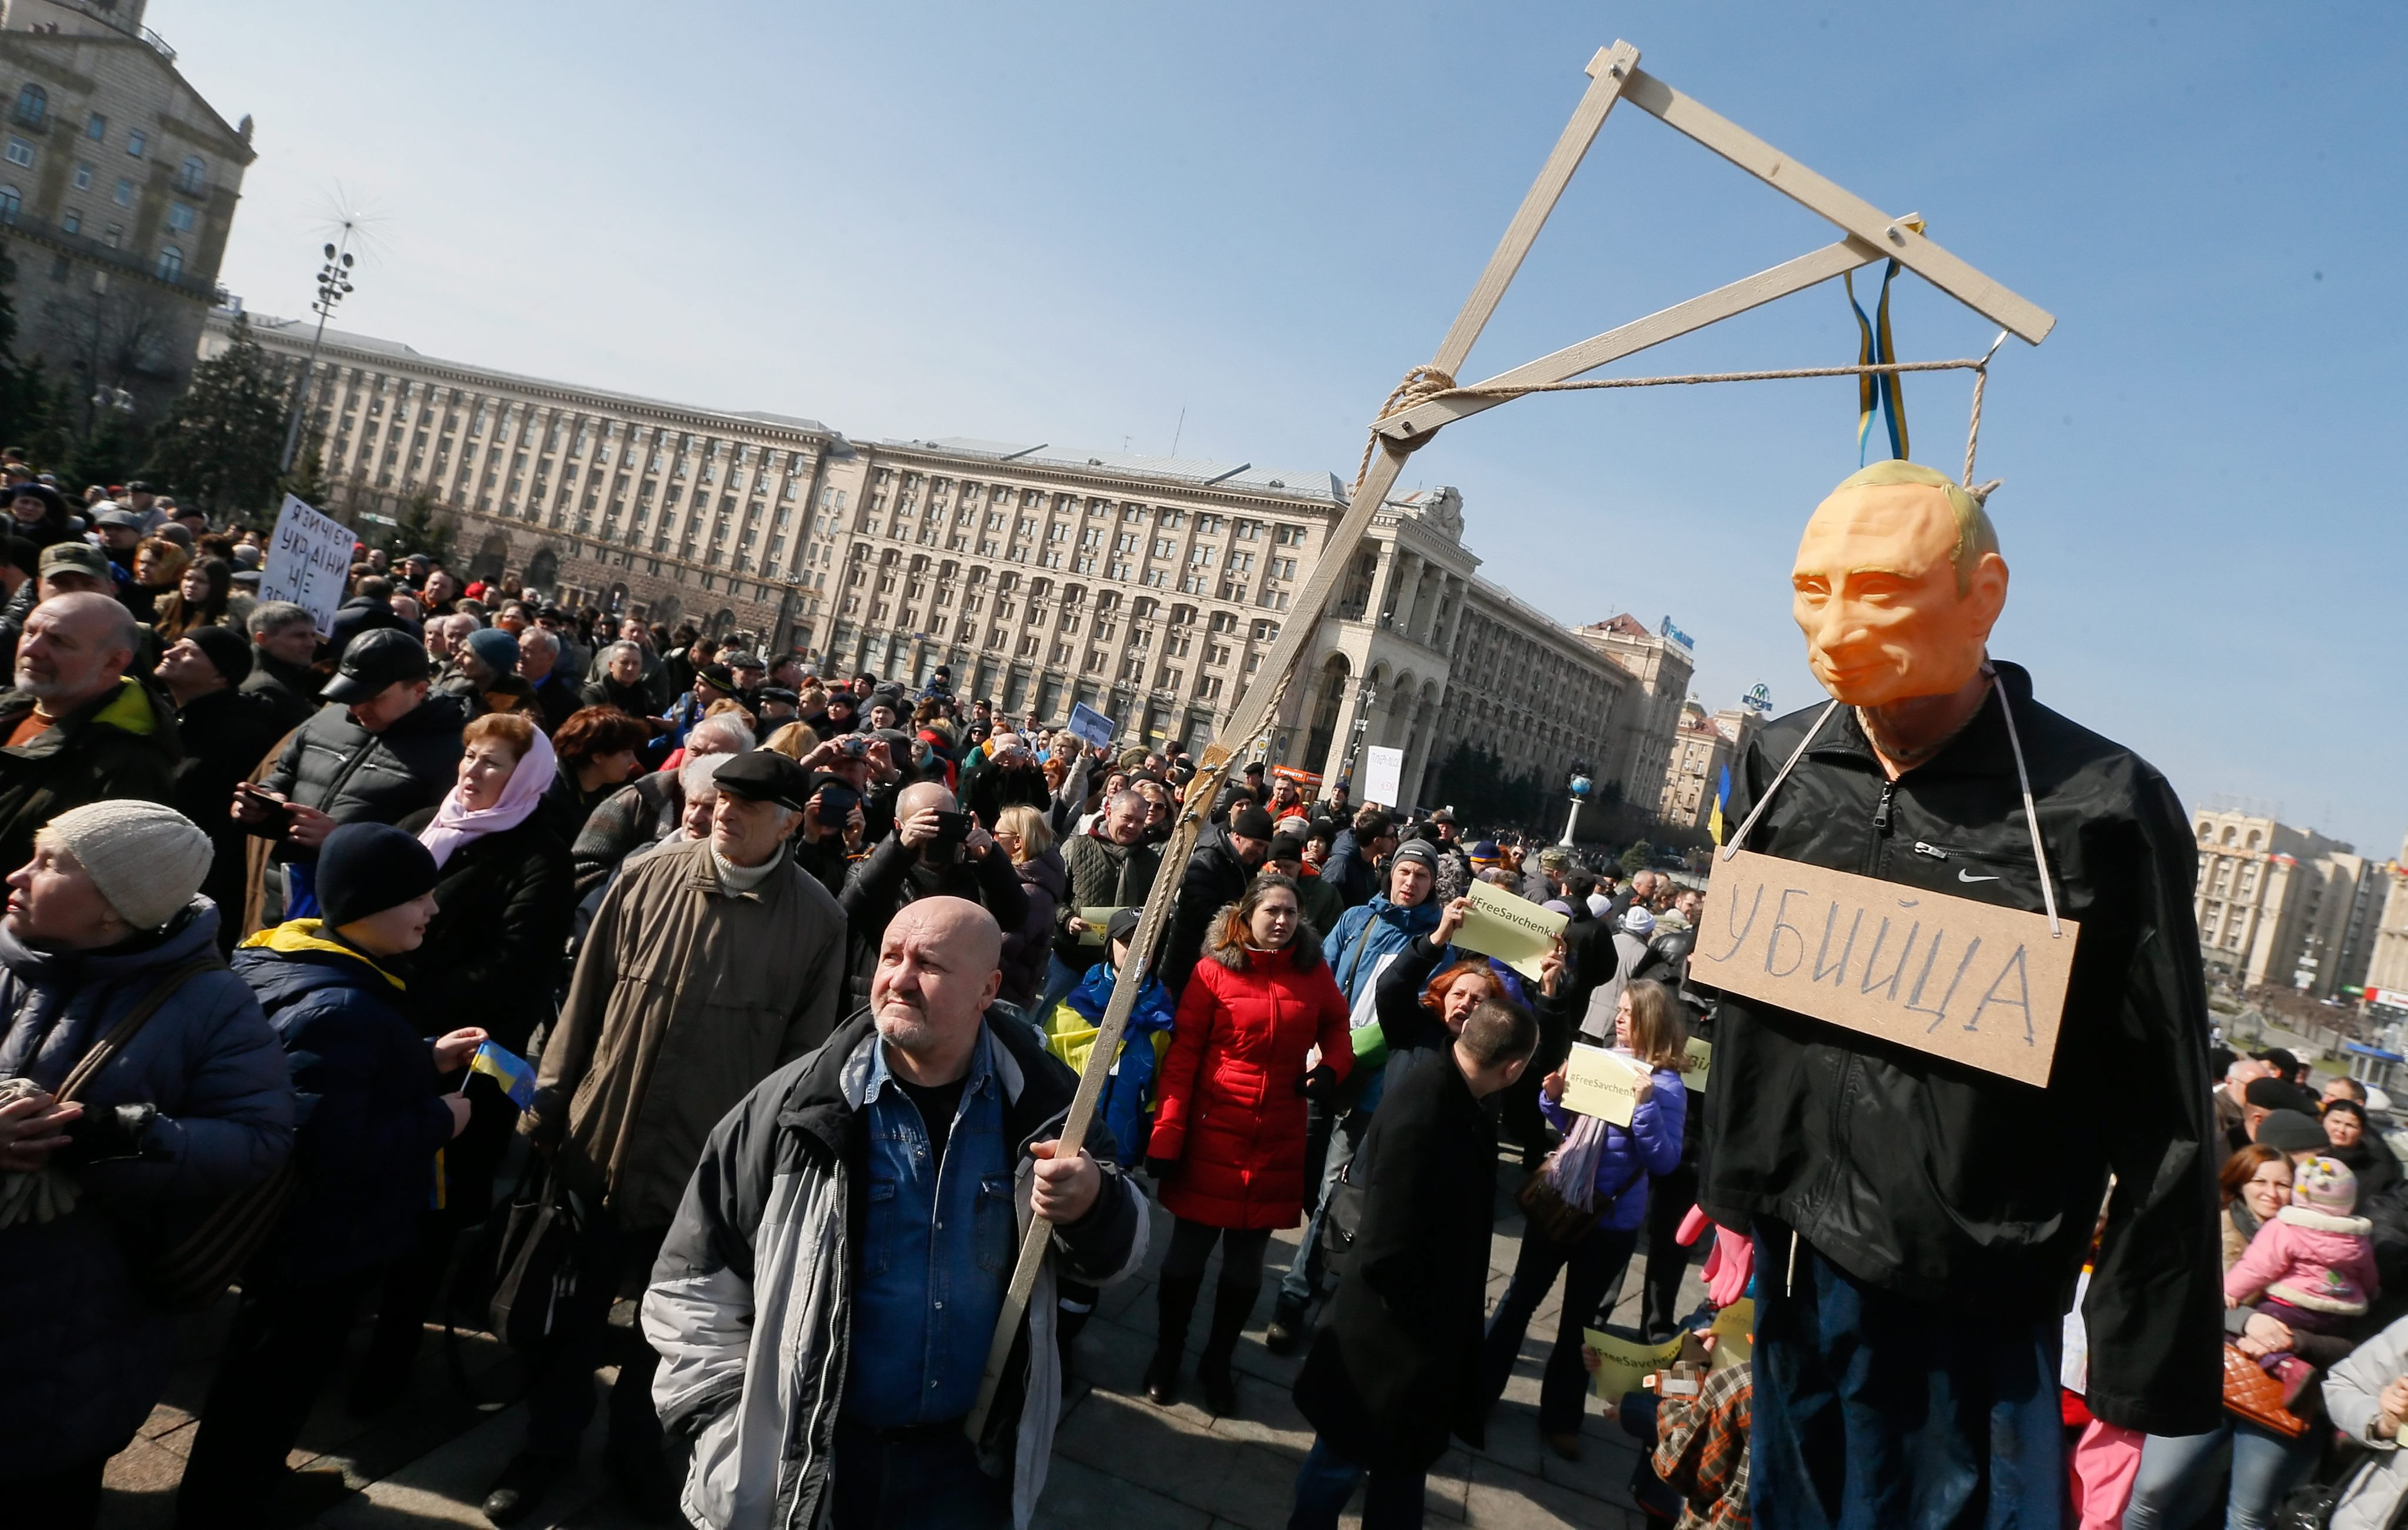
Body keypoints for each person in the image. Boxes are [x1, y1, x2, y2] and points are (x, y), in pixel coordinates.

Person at [1715, 459, 2220, 1521]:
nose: (1838, 626)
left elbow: (2165, 1104)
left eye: (1884, 589)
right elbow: (1748, 1005)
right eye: (1814, 588)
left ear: (1983, 594)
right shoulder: (1777, 758)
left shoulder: (2105, 808)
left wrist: (2136, 1367)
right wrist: (1731, 1195)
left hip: (1971, 1302)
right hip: (1796, 1260)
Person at [644, 897, 1149, 1529]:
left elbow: (1121, 1255)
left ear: (988, 989)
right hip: (812, 1465)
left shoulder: (1047, 1110)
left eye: (929, 964)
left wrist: (1092, 1205)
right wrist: (726, 1422)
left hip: (963, 1468)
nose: (899, 979)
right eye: (890, 957)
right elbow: (688, 1287)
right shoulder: (790, 1111)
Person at [496, 749, 847, 1524]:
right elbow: (583, 1003)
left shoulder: (818, 920)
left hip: (704, 1174)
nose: (725, 812)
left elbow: (802, 1065)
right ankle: (545, 1450)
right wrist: (548, 1110)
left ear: (789, 821)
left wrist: (766, 1176)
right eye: (720, 797)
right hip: (603, 1141)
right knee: (573, 1318)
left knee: (670, 1335)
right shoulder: (649, 875)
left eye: (747, 805)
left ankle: (637, 1451)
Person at [176, 824, 486, 1528]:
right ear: (364, 905)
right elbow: (329, 1141)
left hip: (293, 1232)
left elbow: (335, 1075)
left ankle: (248, 1484)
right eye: (419, 896)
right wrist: (441, 1120)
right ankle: (232, 1504)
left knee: (267, 1380)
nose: (433, 910)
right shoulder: (344, 1005)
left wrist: (423, 1055)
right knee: (273, 1382)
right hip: (318, 1238)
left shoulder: (295, 959)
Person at [0, 801, 291, 1528]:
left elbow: (259, 1138)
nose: (17, 874)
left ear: (114, 908)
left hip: (73, 1325)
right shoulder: (6, 962)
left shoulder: (211, 1000)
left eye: (49, 863)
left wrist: (108, 1134)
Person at [1287, 1000, 1539, 1529]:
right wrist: (1431, 1320)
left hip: (1409, 1343)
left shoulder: (1456, 1095)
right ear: (1512, 1069)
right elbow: (1386, 1246)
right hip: (1386, 1341)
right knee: (1340, 1461)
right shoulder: (1429, 1107)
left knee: (1398, 1467)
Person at [1145, 875, 1353, 1415]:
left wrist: (1333, 1067)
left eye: (1290, 912)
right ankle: (1167, 1353)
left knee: (1244, 1269)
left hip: (1276, 1134)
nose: (1281, 921)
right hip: (1213, 1128)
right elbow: (1184, 1056)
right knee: (1184, 1260)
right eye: (1272, 912)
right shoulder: (1213, 971)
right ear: (1247, 916)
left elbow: (1337, 1026)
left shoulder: (1312, 971)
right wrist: (1168, 1132)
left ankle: (1217, 1361)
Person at [1483, 978, 1688, 1459]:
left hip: (1610, 1222)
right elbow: (1570, 1125)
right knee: (1518, 1300)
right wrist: (1553, 1096)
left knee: (1579, 1324)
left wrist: (1645, 1110)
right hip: (1560, 1199)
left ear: (1651, 1021)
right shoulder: (1600, 1060)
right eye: (1617, 1010)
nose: (1618, 1019)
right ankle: (1479, 1390)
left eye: (1628, 1013)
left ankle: (1561, 1418)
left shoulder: (1668, 1085)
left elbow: (1665, 1163)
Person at [238, 628, 466, 927]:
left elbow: (433, 846)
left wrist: (339, 841)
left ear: (419, 691)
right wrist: (264, 805)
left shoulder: (454, 754)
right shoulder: (323, 721)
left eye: (374, 698)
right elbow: (284, 774)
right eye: (350, 695)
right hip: (282, 901)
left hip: (361, 917)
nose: (357, 707)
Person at [0, 590, 179, 877]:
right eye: (29, 632)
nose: (32, 649)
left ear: (112, 663)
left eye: (58, 641)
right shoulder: (10, 709)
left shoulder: (129, 766)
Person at [837, 779, 1029, 1005]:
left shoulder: (971, 870)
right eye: (925, 821)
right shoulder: (875, 865)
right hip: (884, 994)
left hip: (947, 999)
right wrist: (898, 850)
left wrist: (989, 860)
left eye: (945, 820)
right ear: (899, 826)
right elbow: (848, 914)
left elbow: (1013, 918)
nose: (936, 830)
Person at [158, 628, 289, 954]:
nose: (170, 653)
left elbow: (226, 833)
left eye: (188, 652)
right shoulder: (168, 720)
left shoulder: (241, 736)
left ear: (219, 676)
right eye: (174, 646)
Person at [568, 711, 753, 898]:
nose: (699, 762)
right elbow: (580, 874)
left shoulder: (750, 819)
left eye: (714, 756)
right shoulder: (634, 802)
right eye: (695, 751)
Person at [1042, 787, 1161, 1017]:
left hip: (1117, 971)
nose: (1133, 827)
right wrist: (1067, 918)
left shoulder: (1151, 862)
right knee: (1050, 1021)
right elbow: (1053, 896)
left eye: (1139, 821)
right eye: (1127, 819)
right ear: (1109, 812)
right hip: (1071, 960)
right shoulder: (1077, 847)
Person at [1159, 804, 1276, 997]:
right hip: (1186, 962)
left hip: (1210, 960)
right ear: (1238, 836)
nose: (1261, 853)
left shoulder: (1243, 863)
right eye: (1257, 844)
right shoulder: (1207, 861)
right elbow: (1201, 910)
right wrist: (1248, 923)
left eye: (1265, 847)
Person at [540, 703, 650, 844]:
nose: (634, 762)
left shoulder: (618, 789)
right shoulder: (548, 798)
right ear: (597, 756)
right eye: (626, 754)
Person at [993, 801, 1064, 1011]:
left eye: (998, 834)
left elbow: (1002, 951)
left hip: (1003, 1000)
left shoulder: (1032, 893)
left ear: (1018, 842)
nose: (992, 839)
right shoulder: (1025, 880)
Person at [239, 601, 322, 736]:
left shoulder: (285, 678)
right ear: (262, 639)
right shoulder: (268, 689)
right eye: (300, 636)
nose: (312, 644)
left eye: (313, 636)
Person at [434, 624, 541, 723]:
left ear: (491, 665)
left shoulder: (519, 712)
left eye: (467, 654)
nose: (457, 659)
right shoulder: (467, 697)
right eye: (460, 652)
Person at [2327, 1096, 2403, 1201]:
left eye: (2350, 1126)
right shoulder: (2308, 1152)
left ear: (2362, 1132)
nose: (2341, 1130)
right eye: (2336, 1122)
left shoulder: (2377, 1170)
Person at [1323, 807, 1393, 911]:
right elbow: (1326, 908)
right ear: (1377, 841)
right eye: (1391, 836)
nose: (1394, 840)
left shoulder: (1367, 863)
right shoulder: (1340, 865)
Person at [152, 556, 231, 646]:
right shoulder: (167, 609)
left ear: (218, 586)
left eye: (201, 581)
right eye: (188, 579)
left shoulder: (225, 624)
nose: (191, 585)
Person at [518, 626, 581, 733]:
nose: (520, 655)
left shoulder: (568, 704)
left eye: (528, 650)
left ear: (551, 657)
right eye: (519, 648)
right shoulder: (503, 688)